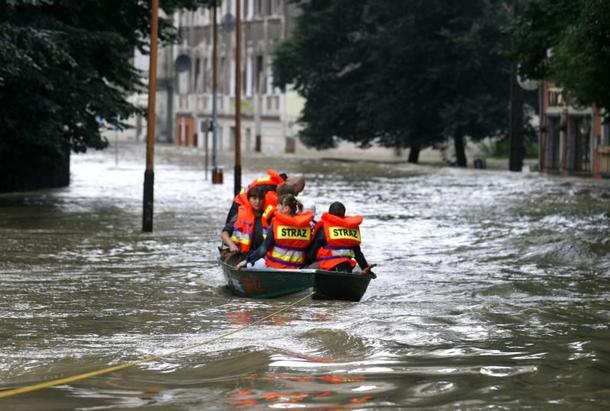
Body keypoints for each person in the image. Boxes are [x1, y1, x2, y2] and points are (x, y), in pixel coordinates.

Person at [236, 194, 313, 269]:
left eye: (279, 205)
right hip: (297, 268)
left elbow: (264, 248)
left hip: (275, 267)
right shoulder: (307, 226)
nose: (276, 207)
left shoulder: (277, 224)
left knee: (249, 266)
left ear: (286, 208)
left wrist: (247, 260)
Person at [307, 201, 376, 276]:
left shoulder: (324, 227)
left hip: (327, 266)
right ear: (343, 215)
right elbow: (358, 254)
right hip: (347, 266)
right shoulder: (350, 229)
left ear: (330, 213)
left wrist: (308, 262)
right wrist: (364, 267)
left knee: (306, 269)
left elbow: (313, 251)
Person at [220, 186, 267, 255]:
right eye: (254, 198)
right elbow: (224, 234)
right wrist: (232, 245)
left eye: (260, 199)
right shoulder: (240, 215)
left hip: (261, 254)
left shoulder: (268, 217)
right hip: (241, 253)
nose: (257, 201)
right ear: (249, 199)